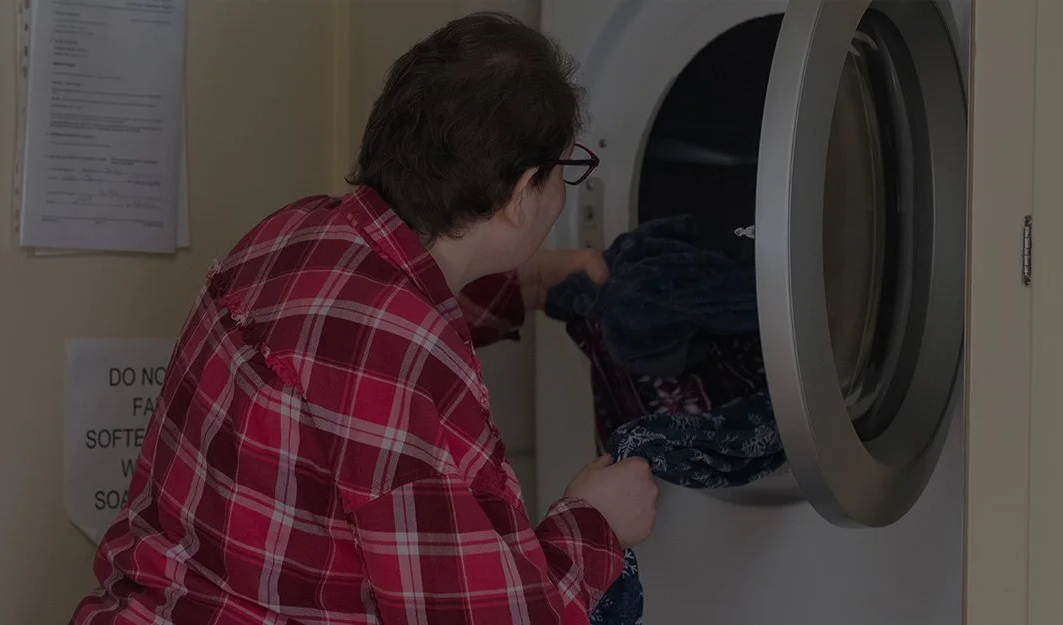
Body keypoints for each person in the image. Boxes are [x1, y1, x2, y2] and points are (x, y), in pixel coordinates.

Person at [68, 12, 658, 625]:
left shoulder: (293, 232)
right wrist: (595, 525)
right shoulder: (405, 358)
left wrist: (528, 284)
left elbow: (353, 333)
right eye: (565, 171)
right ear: (521, 193)